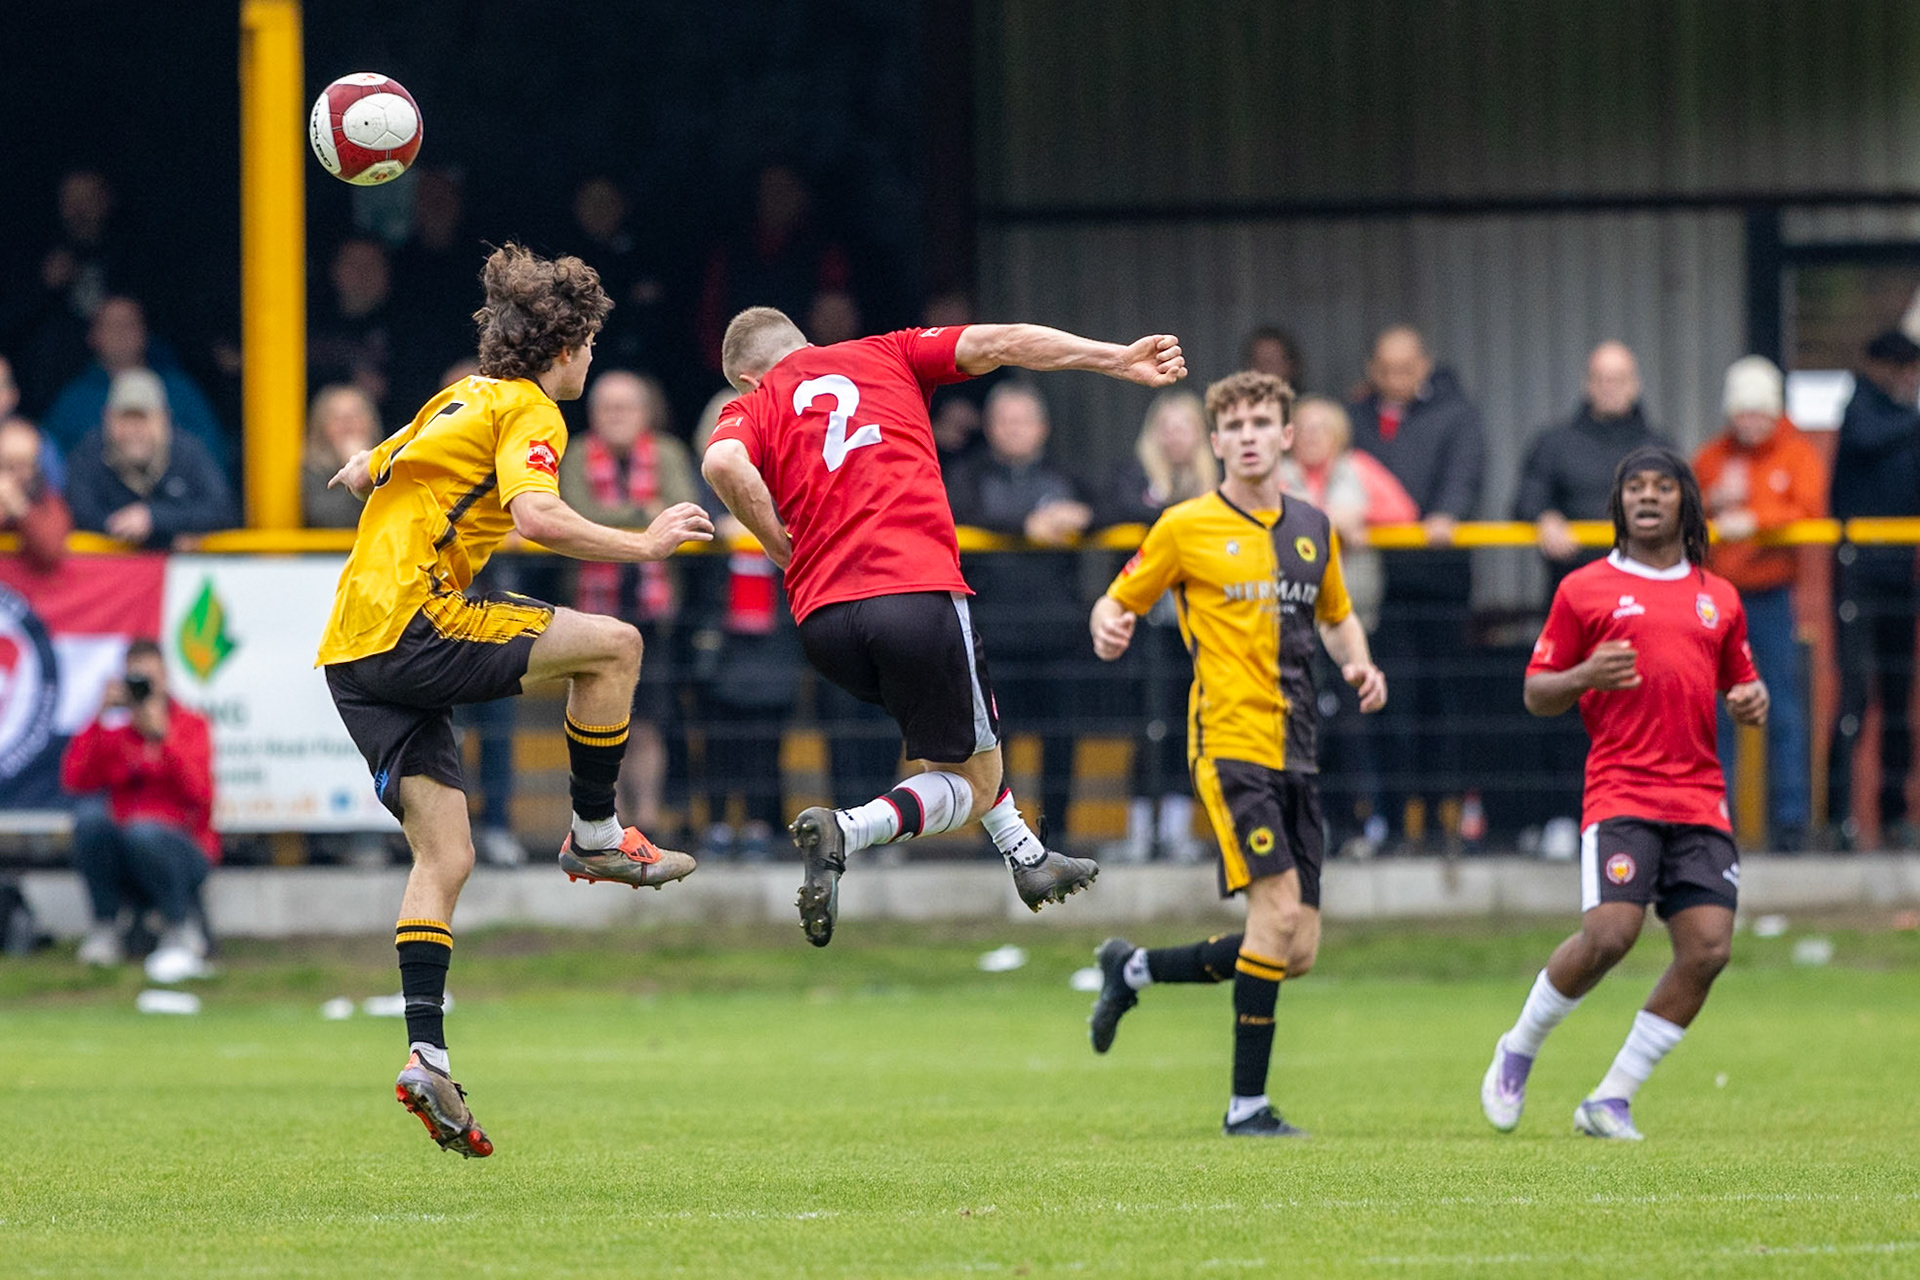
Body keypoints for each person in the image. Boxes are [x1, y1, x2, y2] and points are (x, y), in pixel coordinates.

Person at [317, 243, 714, 1157]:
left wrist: (364, 465)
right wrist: (644, 544)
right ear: (565, 348)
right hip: (417, 622)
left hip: (352, 653)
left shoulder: (460, 396)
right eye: (591, 345)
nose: (592, 362)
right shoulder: (532, 408)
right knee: (617, 645)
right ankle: (596, 833)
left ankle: (426, 1054)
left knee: (446, 855)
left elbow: (371, 465)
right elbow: (536, 515)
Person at [702, 307, 1186, 945]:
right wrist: (1115, 358)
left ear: (746, 377)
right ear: (805, 342)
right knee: (969, 782)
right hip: (915, 596)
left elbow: (723, 464)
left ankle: (1029, 857)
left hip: (823, 623)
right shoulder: (887, 350)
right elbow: (1005, 340)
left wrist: (778, 546)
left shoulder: (756, 404)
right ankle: (845, 830)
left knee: (952, 750)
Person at [1082, 370, 1387, 1138]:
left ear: (1286, 436)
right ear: (1216, 441)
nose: (1249, 436)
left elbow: (1338, 617)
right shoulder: (1184, 526)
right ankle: (1247, 1107)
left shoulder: (1312, 525)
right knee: (1276, 914)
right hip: (1228, 744)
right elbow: (1119, 597)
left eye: (1262, 423)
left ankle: (1133, 968)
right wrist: (1108, 622)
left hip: (1299, 750)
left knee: (1296, 949)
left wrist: (1360, 663)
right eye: (1236, 426)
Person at [1479, 446, 1766, 1141]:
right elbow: (1536, 692)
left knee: (1708, 950)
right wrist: (1585, 675)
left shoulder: (1720, 596)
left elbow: (1740, 681)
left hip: (1699, 796)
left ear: (1684, 502)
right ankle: (1518, 1047)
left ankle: (1611, 1098)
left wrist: (1750, 699)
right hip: (1622, 789)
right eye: (1635, 487)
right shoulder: (1585, 589)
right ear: (1619, 505)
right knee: (1610, 936)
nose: (1647, 497)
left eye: (1662, 486)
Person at [1346, 325, 1485, 848]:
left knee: (1441, 703)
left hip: (1439, 583)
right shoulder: (1355, 417)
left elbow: (1464, 475)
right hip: (1376, 587)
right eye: (1385, 369)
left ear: (1424, 366)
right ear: (1372, 370)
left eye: (1405, 368)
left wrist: (1447, 513)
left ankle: (1439, 819)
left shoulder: (1457, 414)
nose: (1395, 378)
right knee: (1387, 704)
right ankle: (1391, 819)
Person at [944, 380, 1094, 840]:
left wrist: (1083, 516)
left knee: (1060, 739)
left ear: (1042, 427)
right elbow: (953, 515)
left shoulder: (1067, 475)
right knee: (991, 745)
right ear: (989, 428)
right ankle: (998, 839)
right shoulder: (967, 476)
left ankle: (1055, 835)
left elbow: (1115, 506)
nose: (1013, 429)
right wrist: (1025, 525)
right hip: (992, 635)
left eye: (1023, 420)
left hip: (1059, 635)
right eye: (1004, 421)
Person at [558, 371, 699, 835]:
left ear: (646, 412)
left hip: (654, 612)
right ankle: (602, 820)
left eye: (626, 406)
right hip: (590, 609)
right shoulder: (575, 453)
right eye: (606, 407)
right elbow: (574, 512)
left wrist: (610, 521)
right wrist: (643, 515)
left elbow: (683, 508)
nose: (616, 415)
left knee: (651, 718)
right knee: (595, 717)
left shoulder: (668, 453)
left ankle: (648, 819)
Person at [1694, 357, 1826, 850]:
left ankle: (1790, 822)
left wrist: (1755, 517)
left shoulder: (1796, 454)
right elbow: (1683, 508)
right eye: (1741, 412)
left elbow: (1809, 509)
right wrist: (1712, 504)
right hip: (1718, 600)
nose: (1749, 421)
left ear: (1773, 412)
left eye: (1758, 412)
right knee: (1715, 709)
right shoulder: (1711, 457)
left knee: (1782, 709)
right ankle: (1714, 817)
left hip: (1772, 599)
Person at [1279, 394, 1417, 851]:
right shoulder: (1276, 473)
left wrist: (1362, 517)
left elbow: (1405, 512)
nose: (1312, 435)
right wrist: (1331, 521)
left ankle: (1365, 821)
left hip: (1353, 620)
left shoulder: (1359, 469)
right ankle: (1316, 822)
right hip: (1292, 622)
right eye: (1303, 427)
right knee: (1304, 726)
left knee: (1355, 726)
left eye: (1322, 427)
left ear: (1339, 434)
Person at [1103, 388, 1218, 860]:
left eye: (1184, 427)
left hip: (1198, 627)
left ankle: (1176, 829)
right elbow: (1119, 510)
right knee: (1145, 725)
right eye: (1165, 428)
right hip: (1145, 624)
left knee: (1188, 725)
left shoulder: (1217, 479)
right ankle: (1138, 830)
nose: (1174, 438)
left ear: (1200, 434)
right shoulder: (1134, 474)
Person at [61, 639, 219, 981]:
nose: (144, 687)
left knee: (142, 832)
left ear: (165, 678)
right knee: (90, 820)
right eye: (136, 679)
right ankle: (106, 928)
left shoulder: (191, 725)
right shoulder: (117, 734)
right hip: (128, 851)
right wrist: (98, 716)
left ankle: (179, 926)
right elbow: (74, 779)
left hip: (183, 849)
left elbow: (201, 794)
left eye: (150, 678)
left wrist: (162, 737)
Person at [1827, 330, 1920, 850]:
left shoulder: (1907, 423)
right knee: (1854, 696)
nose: (1911, 380)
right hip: (1857, 572)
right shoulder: (1860, 411)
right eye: (1904, 370)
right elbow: (1866, 439)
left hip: (1901, 575)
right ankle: (1837, 817)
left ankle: (1894, 814)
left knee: (1900, 699)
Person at [1513, 342, 1664, 587]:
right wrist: (1545, 518)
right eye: (1600, 379)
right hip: (1574, 584)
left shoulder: (1661, 448)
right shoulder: (1554, 443)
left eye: (1618, 379)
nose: (1608, 387)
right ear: (1587, 384)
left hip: (1646, 584)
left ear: (1635, 384)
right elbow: (1526, 500)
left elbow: (1684, 507)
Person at [39, 296, 233, 477]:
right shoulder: (74, 399)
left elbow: (213, 459)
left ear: (145, 332)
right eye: (111, 325)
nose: (120, 333)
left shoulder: (180, 391)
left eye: (129, 324)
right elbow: (50, 468)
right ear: (93, 336)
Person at [65, 368, 237, 548]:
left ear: (164, 419)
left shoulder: (189, 452)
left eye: (142, 419)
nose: (133, 430)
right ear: (108, 419)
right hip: (109, 563)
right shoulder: (87, 455)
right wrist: (132, 527)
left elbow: (222, 509)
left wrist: (154, 518)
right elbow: (77, 513)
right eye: (125, 419)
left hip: (178, 563)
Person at [302, 384, 383, 529]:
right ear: (321, 427)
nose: (348, 425)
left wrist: (370, 469)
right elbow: (330, 521)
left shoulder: (390, 462)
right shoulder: (310, 471)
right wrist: (356, 472)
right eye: (337, 418)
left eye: (356, 415)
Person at [0, 416, 71, 571]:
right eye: (8, 465)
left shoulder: (46, 498)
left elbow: (50, 551)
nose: (17, 474)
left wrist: (20, 509)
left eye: (24, 464)